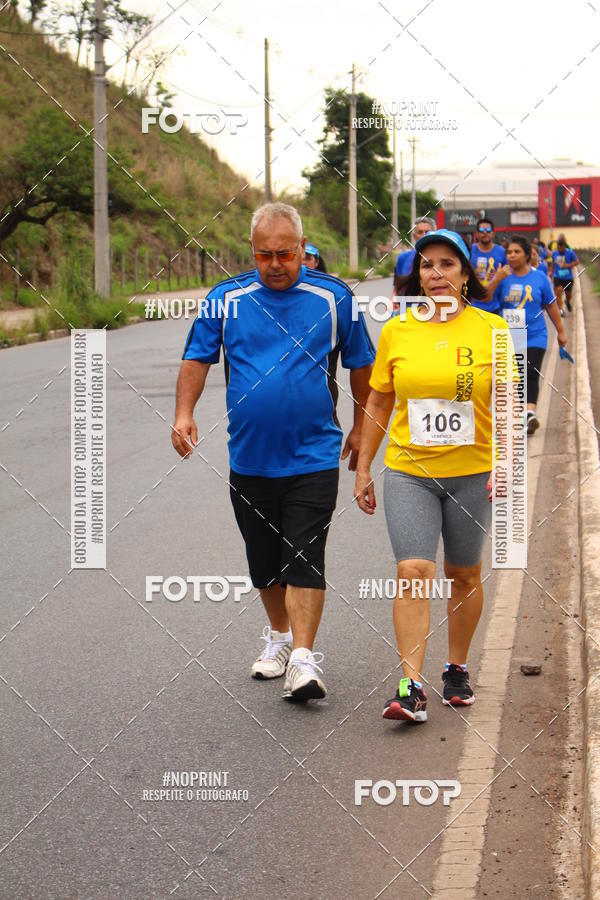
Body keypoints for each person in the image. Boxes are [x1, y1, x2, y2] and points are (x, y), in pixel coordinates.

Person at [173, 202, 375, 702]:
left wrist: (359, 427)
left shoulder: (333, 298)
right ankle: (281, 638)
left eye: (286, 253)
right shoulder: (227, 299)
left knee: (304, 553)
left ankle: (304, 659)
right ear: (252, 252)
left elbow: (362, 365)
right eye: (265, 255)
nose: (276, 263)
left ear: (303, 249)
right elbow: (197, 358)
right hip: (250, 457)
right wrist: (184, 413)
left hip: (314, 455)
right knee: (264, 564)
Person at [355, 228, 513, 724]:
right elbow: (380, 398)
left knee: (463, 572)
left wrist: (507, 462)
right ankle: (410, 686)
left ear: (466, 274)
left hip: (473, 473)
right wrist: (363, 466)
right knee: (413, 572)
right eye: (427, 265)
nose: (436, 273)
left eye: (447, 264)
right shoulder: (398, 330)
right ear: (416, 277)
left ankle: (457, 669)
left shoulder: (493, 331)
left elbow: (507, 401)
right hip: (409, 472)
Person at [496, 236, 567, 434]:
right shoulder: (502, 278)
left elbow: (551, 305)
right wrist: (496, 280)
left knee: (530, 372)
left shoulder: (540, 278)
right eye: (509, 252)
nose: (512, 255)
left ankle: (529, 413)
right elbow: (488, 302)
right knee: (515, 375)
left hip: (536, 334)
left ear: (527, 255)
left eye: (517, 251)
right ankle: (520, 413)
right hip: (509, 336)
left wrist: (561, 332)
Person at [468, 217, 507, 313]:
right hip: (473, 305)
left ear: (493, 233)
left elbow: (509, 273)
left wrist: (499, 276)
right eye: (481, 230)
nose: (485, 233)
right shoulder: (469, 250)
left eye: (488, 230)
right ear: (477, 234)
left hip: (495, 305)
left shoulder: (502, 252)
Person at [393, 216, 435, 295]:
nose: (424, 235)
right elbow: (397, 286)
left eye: (427, 232)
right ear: (414, 235)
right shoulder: (403, 258)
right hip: (406, 304)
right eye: (420, 232)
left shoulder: (440, 258)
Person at [552, 234, 579, 314]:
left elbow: (577, 262)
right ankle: (560, 310)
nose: (560, 250)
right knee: (558, 291)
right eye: (558, 248)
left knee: (568, 294)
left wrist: (568, 265)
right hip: (557, 276)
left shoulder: (570, 253)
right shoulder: (554, 253)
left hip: (568, 277)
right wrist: (551, 272)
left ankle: (567, 301)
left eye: (561, 248)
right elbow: (553, 263)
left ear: (565, 246)